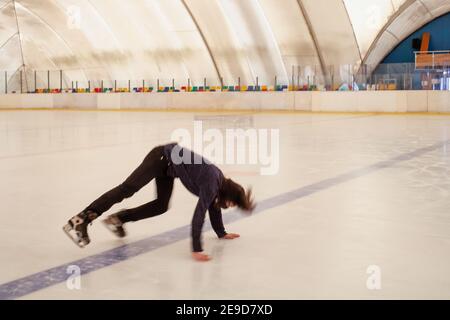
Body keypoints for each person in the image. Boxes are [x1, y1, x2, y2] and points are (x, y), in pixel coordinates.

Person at [63, 142, 255, 261]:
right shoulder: (212, 183)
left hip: (170, 167)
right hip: (161, 157)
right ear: (229, 196)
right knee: (127, 189)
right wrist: (197, 248)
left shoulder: (217, 185)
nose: (229, 207)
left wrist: (221, 233)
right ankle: (82, 219)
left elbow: (214, 208)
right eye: (232, 204)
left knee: (161, 205)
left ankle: (119, 218)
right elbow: (200, 214)